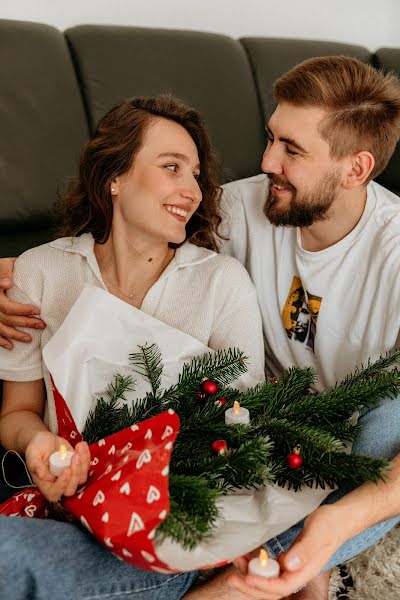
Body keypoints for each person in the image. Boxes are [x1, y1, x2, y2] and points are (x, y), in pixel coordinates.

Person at [1, 55, 400, 600]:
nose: (266, 162)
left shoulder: (393, 253)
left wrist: (336, 525)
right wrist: (8, 274)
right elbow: (127, 232)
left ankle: (303, 558)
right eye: (270, 138)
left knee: (393, 415)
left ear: (356, 169)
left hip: (346, 438)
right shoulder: (243, 205)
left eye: (292, 150)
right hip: (247, 434)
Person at [0, 95, 266, 599]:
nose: (192, 190)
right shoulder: (40, 271)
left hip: (164, 528)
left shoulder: (221, 284)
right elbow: (17, 412)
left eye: (196, 175)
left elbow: (243, 430)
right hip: (57, 504)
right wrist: (39, 445)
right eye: (171, 168)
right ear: (113, 178)